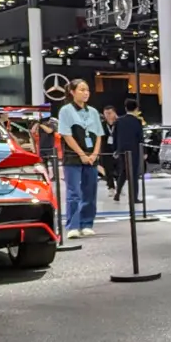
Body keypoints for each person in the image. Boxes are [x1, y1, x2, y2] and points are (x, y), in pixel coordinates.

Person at [58, 80, 103, 239]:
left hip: (91, 158)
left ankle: (87, 224)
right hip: (73, 158)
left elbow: (99, 134)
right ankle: (73, 226)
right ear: (72, 92)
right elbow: (66, 135)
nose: (86, 93)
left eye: (87, 90)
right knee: (74, 193)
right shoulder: (66, 111)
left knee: (90, 192)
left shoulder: (93, 112)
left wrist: (94, 154)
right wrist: (81, 154)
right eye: (82, 90)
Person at [113, 99, 146, 204]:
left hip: (122, 150)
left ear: (125, 108)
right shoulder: (137, 121)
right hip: (134, 150)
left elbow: (114, 136)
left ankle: (117, 193)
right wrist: (144, 151)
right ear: (136, 108)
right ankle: (134, 197)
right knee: (134, 174)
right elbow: (140, 138)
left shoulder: (119, 121)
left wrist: (115, 149)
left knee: (123, 172)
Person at [101, 105, 121, 199]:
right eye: (106, 113)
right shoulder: (101, 124)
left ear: (114, 113)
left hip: (118, 149)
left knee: (120, 169)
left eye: (109, 113)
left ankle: (120, 186)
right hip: (106, 150)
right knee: (108, 170)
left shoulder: (119, 123)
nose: (108, 115)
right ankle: (111, 187)